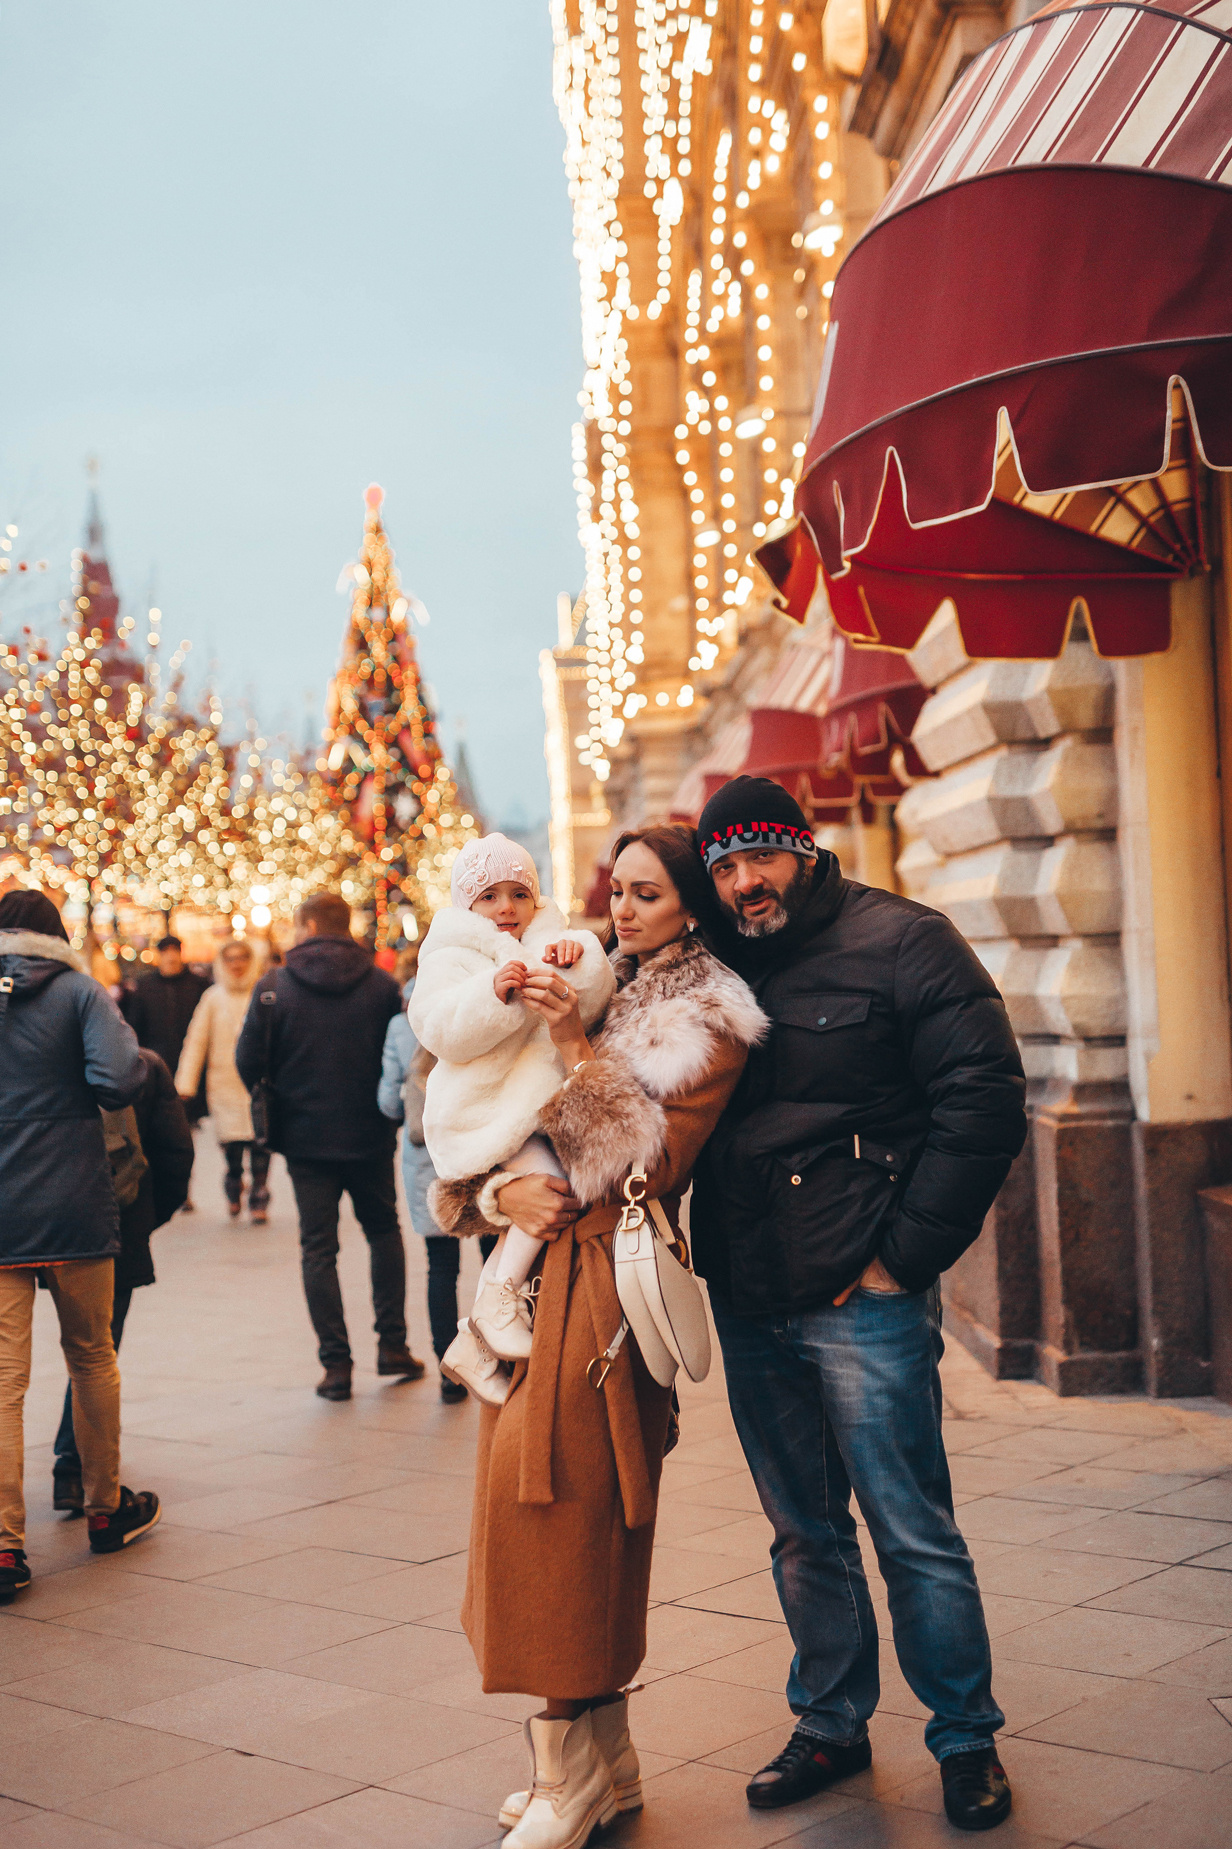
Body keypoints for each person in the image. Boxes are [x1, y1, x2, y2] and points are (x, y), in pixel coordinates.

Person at [690, 776, 1028, 1834]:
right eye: (724, 866)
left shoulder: (904, 941)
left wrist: (900, 1259)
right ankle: (831, 1721)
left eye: (760, 856)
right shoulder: (708, 964)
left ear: (802, 848)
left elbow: (984, 1097)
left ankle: (964, 1737)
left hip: (862, 1298)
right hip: (750, 1295)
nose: (743, 882)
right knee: (802, 1532)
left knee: (911, 1528)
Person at [431, 826, 766, 1848]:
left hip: (604, 1302)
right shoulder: (593, 977)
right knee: (536, 1514)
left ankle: (566, 1774)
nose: (622, 909)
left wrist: (574, 1047)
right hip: (542, 1288)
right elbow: (496, 1113)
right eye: (616, 890)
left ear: (690, 905)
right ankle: (603, 1758)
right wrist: (498, 1192)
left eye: (647, 893)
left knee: (564, 1518)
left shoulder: (707, 1016)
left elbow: (647, 1166)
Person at [409, 834, 614, 1398]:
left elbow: (594, 998)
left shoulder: (553, 939)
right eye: (490, 896)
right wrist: (491, 995)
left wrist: (577, 962)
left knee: (545, 1199)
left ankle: (474, 1342)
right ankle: (497, 1304)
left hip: (531, 1109)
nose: (506, 908)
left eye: (519, 894)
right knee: (552, 1186)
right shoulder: (449, 956)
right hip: (481, 1111)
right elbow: (438, 1027)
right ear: (466, 904)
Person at [0, 890, 162, 1603]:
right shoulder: (79, 990)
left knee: (3, 1381)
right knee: (92, 1355)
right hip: (73, 1202)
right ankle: (104, 1507)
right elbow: (118, 1078)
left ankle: (5, 1546)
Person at [235, 890, 424, 1402]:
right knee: (383, 1232)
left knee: (318, 1248)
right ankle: (393, 1345)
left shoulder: (274, 986)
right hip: (369, 1134)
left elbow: (247, 1060)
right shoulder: (381, 985)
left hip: (304, 1138)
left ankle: (336, 1365)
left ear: (310, 925)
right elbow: (400, 1054)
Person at [53, 1048, 193, 1510]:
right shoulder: (142, 1066)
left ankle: (10, 1522)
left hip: (21, 1225)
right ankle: (75, 1471)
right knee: (95, 1350)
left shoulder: (22, 1057)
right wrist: (145, 1220)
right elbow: (176, 1154)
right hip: (113, 1225)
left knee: (10, 1366)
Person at [176, 936, 270, 1223]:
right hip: (224, 1087)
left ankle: (259, 1196)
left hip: (260, 1086)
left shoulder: (263, 994)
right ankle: (233, 1187)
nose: (237, 964)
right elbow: (196, 1042)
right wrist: (185, 1083)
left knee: (261, 1146)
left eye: (242, 957)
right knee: (233, 1148)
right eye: (230, 959)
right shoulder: (213, 998)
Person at [121, 933, 210, 1088]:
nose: (171, 956)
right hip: (157, 1061)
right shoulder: (145, 986)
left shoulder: (198, 984)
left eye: (174, 951)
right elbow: (135, 1024)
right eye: (166, 952)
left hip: (193, 1061)